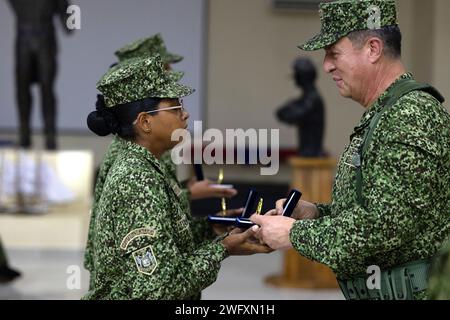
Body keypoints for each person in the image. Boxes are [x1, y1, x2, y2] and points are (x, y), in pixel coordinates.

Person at [251, 0, 449, 300]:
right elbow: (374, 209)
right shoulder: (386, 114)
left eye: (334, 53)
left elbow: (384, 226)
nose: (327, 65)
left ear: (372, 49)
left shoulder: (410, 116)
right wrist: (315, 213)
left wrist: (293, 234)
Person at [83, 56, 270, 299]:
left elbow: (165, 239)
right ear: (145, 122)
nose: (186, 114)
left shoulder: (147, 164)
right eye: (175, 107)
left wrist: (210, 228)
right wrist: (223, 248)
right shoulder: (137, 181)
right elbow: (161, 290)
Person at [7, 0, 73, 150]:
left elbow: (70, 22)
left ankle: (50, 137)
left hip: (45, 39)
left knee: (46, 89)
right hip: (24, 38)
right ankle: (24, 136)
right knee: (23, 89)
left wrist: (72, 15)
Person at [276, 57, 326, 157]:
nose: (294, 77)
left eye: (296, 74)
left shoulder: (312, 100)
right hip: (306, 154)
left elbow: (291, 116)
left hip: (311, 156)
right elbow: (280, 113)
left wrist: (291, 106)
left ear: (303, 77)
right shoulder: (306, 99)